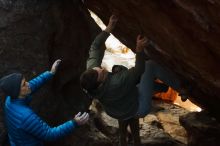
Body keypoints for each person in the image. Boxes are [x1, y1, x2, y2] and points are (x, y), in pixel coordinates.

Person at [80, 15, 188, 145]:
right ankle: (181, 89)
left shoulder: (92, 79)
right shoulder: (117, 82)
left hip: (117, 110)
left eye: (97, 69)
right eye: (101, 74)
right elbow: (139, 70)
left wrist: (109, 28)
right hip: (138, 107)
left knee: (124, 128)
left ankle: (126, 142)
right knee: (150, 65)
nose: (101, 69)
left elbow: (95, 47)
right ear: (100, 82)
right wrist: (139, 50)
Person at [0, 59, 89, 146]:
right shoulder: (26, 116)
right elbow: (49, 134)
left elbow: (32, 85)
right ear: (17, 91)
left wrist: (50, 73)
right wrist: (74, 123)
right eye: (24, 84)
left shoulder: (10, 99)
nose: (28, 84)